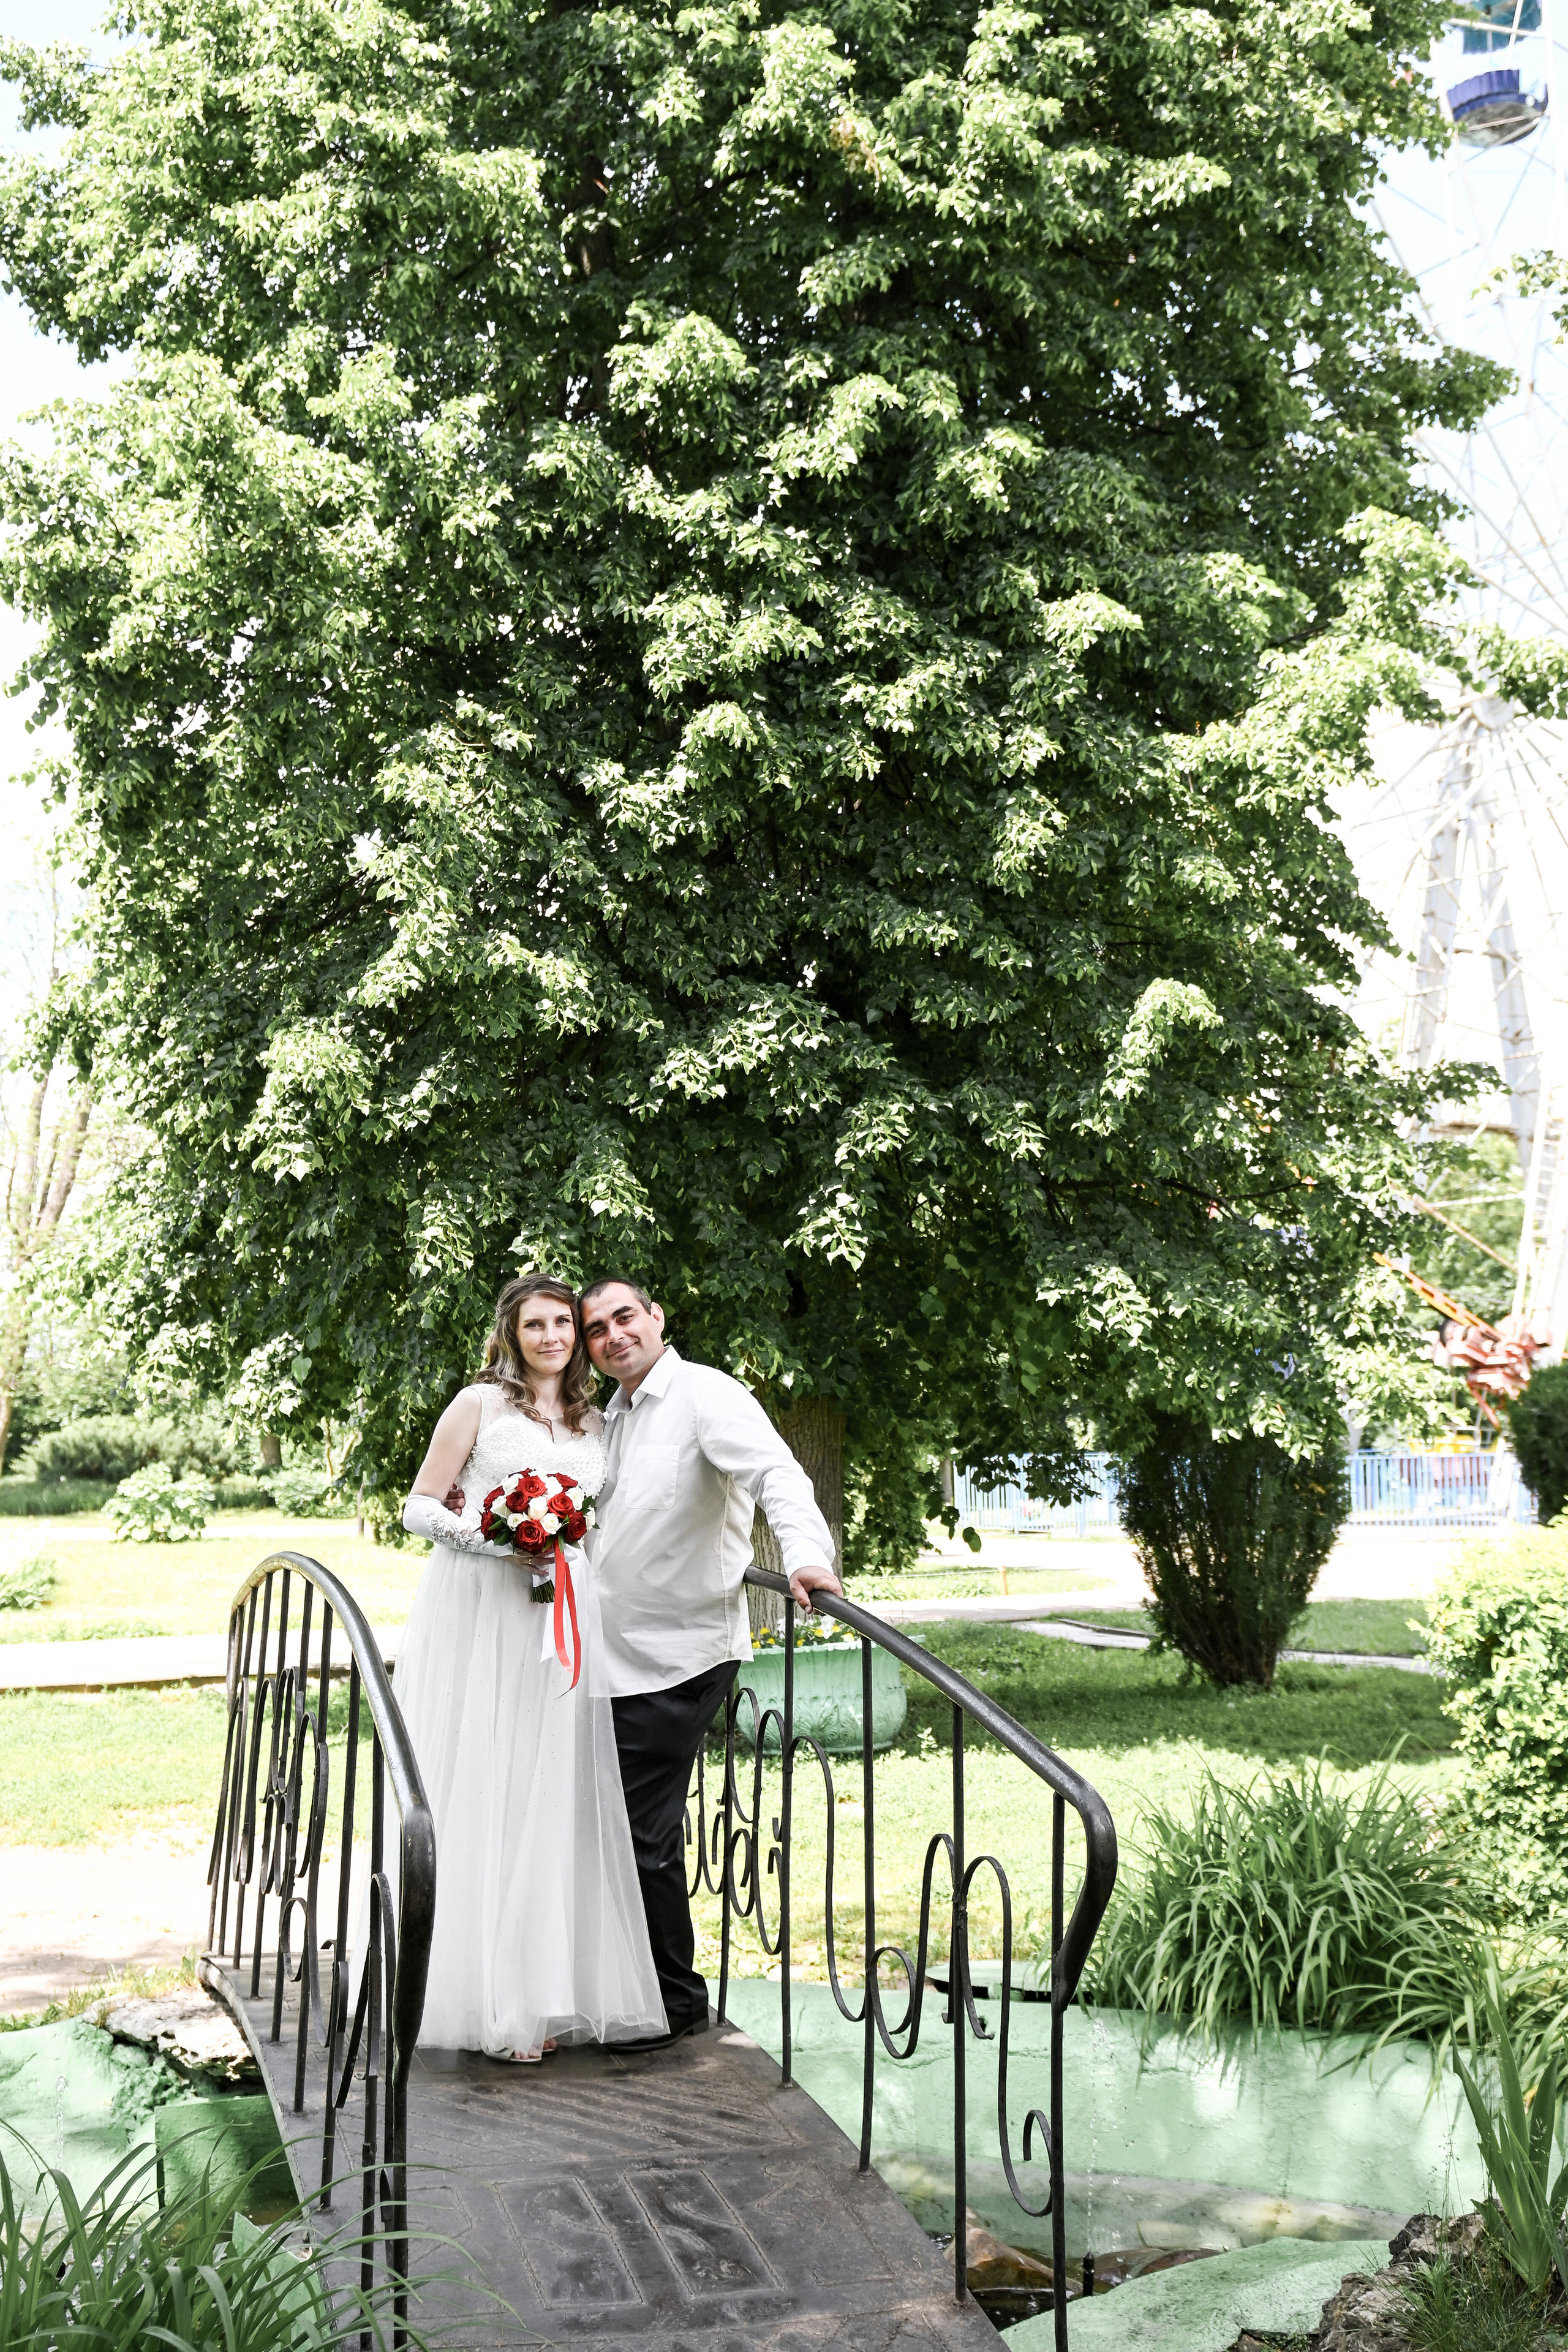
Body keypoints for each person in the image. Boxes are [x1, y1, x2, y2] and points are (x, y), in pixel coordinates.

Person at [395, 1272, 667, 2062]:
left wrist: (557, 1550)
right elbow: (419, 1504)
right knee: (487, 1783)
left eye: (562, 1325)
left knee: (552, 1794)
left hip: (562, 1624)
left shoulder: (594, 1422)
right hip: (484, 1613)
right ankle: (481, 1997)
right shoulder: (477, 1404)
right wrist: (506, 1542)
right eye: (535, 1325)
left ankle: (540, 1996)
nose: (551, 1337)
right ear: (511, 1335)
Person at [579, 1277, 842, 2046]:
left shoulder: (703, 1394)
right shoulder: (611, 1417)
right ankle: (623, 1984)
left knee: (638, 1831)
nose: (613, 1335)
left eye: (625, 1316)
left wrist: (808, 1558)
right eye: (596, 1329)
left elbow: (778, 1476)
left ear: (658, 1318)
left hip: (678, 1658)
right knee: (612, 1827)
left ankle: (671, 2004)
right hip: (605, 1657)